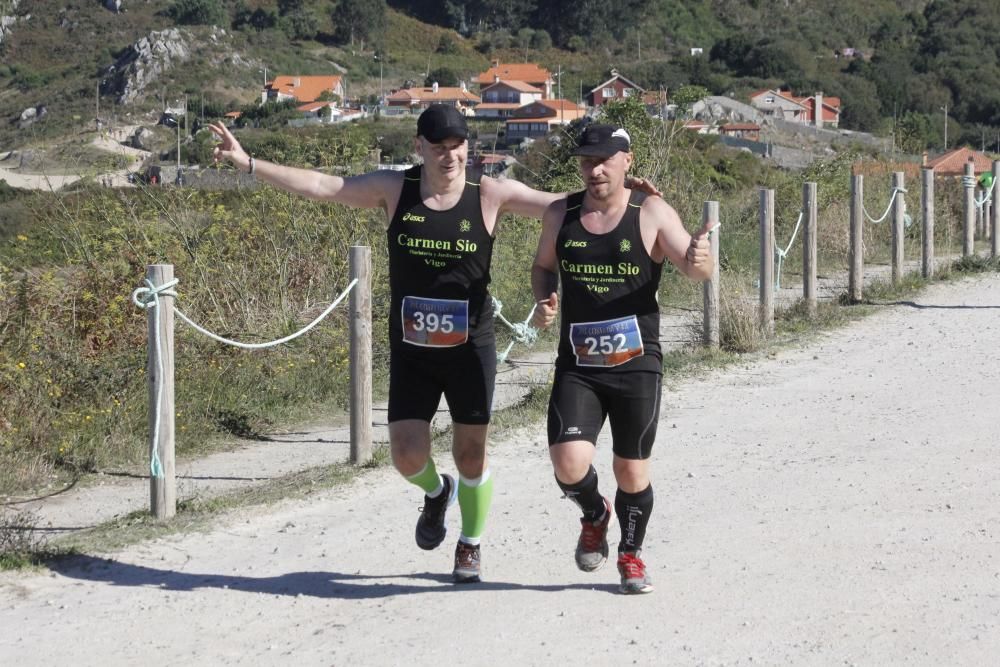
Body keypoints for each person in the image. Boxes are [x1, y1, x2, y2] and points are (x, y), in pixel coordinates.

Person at [208, 106, 659, 584]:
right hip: (412, 351)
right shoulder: (393, 189)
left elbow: (561, 202)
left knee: (471, 456)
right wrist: (248, 163)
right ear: (418, 148)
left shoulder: (488, 192)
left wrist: (630, 197)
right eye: (439, 148)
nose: (450, 157)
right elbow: (324, 186)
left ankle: (470, 544)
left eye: (458, 147)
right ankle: (436, 491)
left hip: (470, 351)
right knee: (406, 455)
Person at [530, 123, 715, 594]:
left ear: (626, 160)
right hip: (579, 365)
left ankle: (631, 556)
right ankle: (595, 514)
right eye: (587, 161)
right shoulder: (560, 213)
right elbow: (543, 267)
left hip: (637, 364)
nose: (595, 169)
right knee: (568, 463)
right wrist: (546, 296)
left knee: (631, 470)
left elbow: (696, 271)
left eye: (604, 159)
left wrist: (700, 253)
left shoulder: (649, 211)